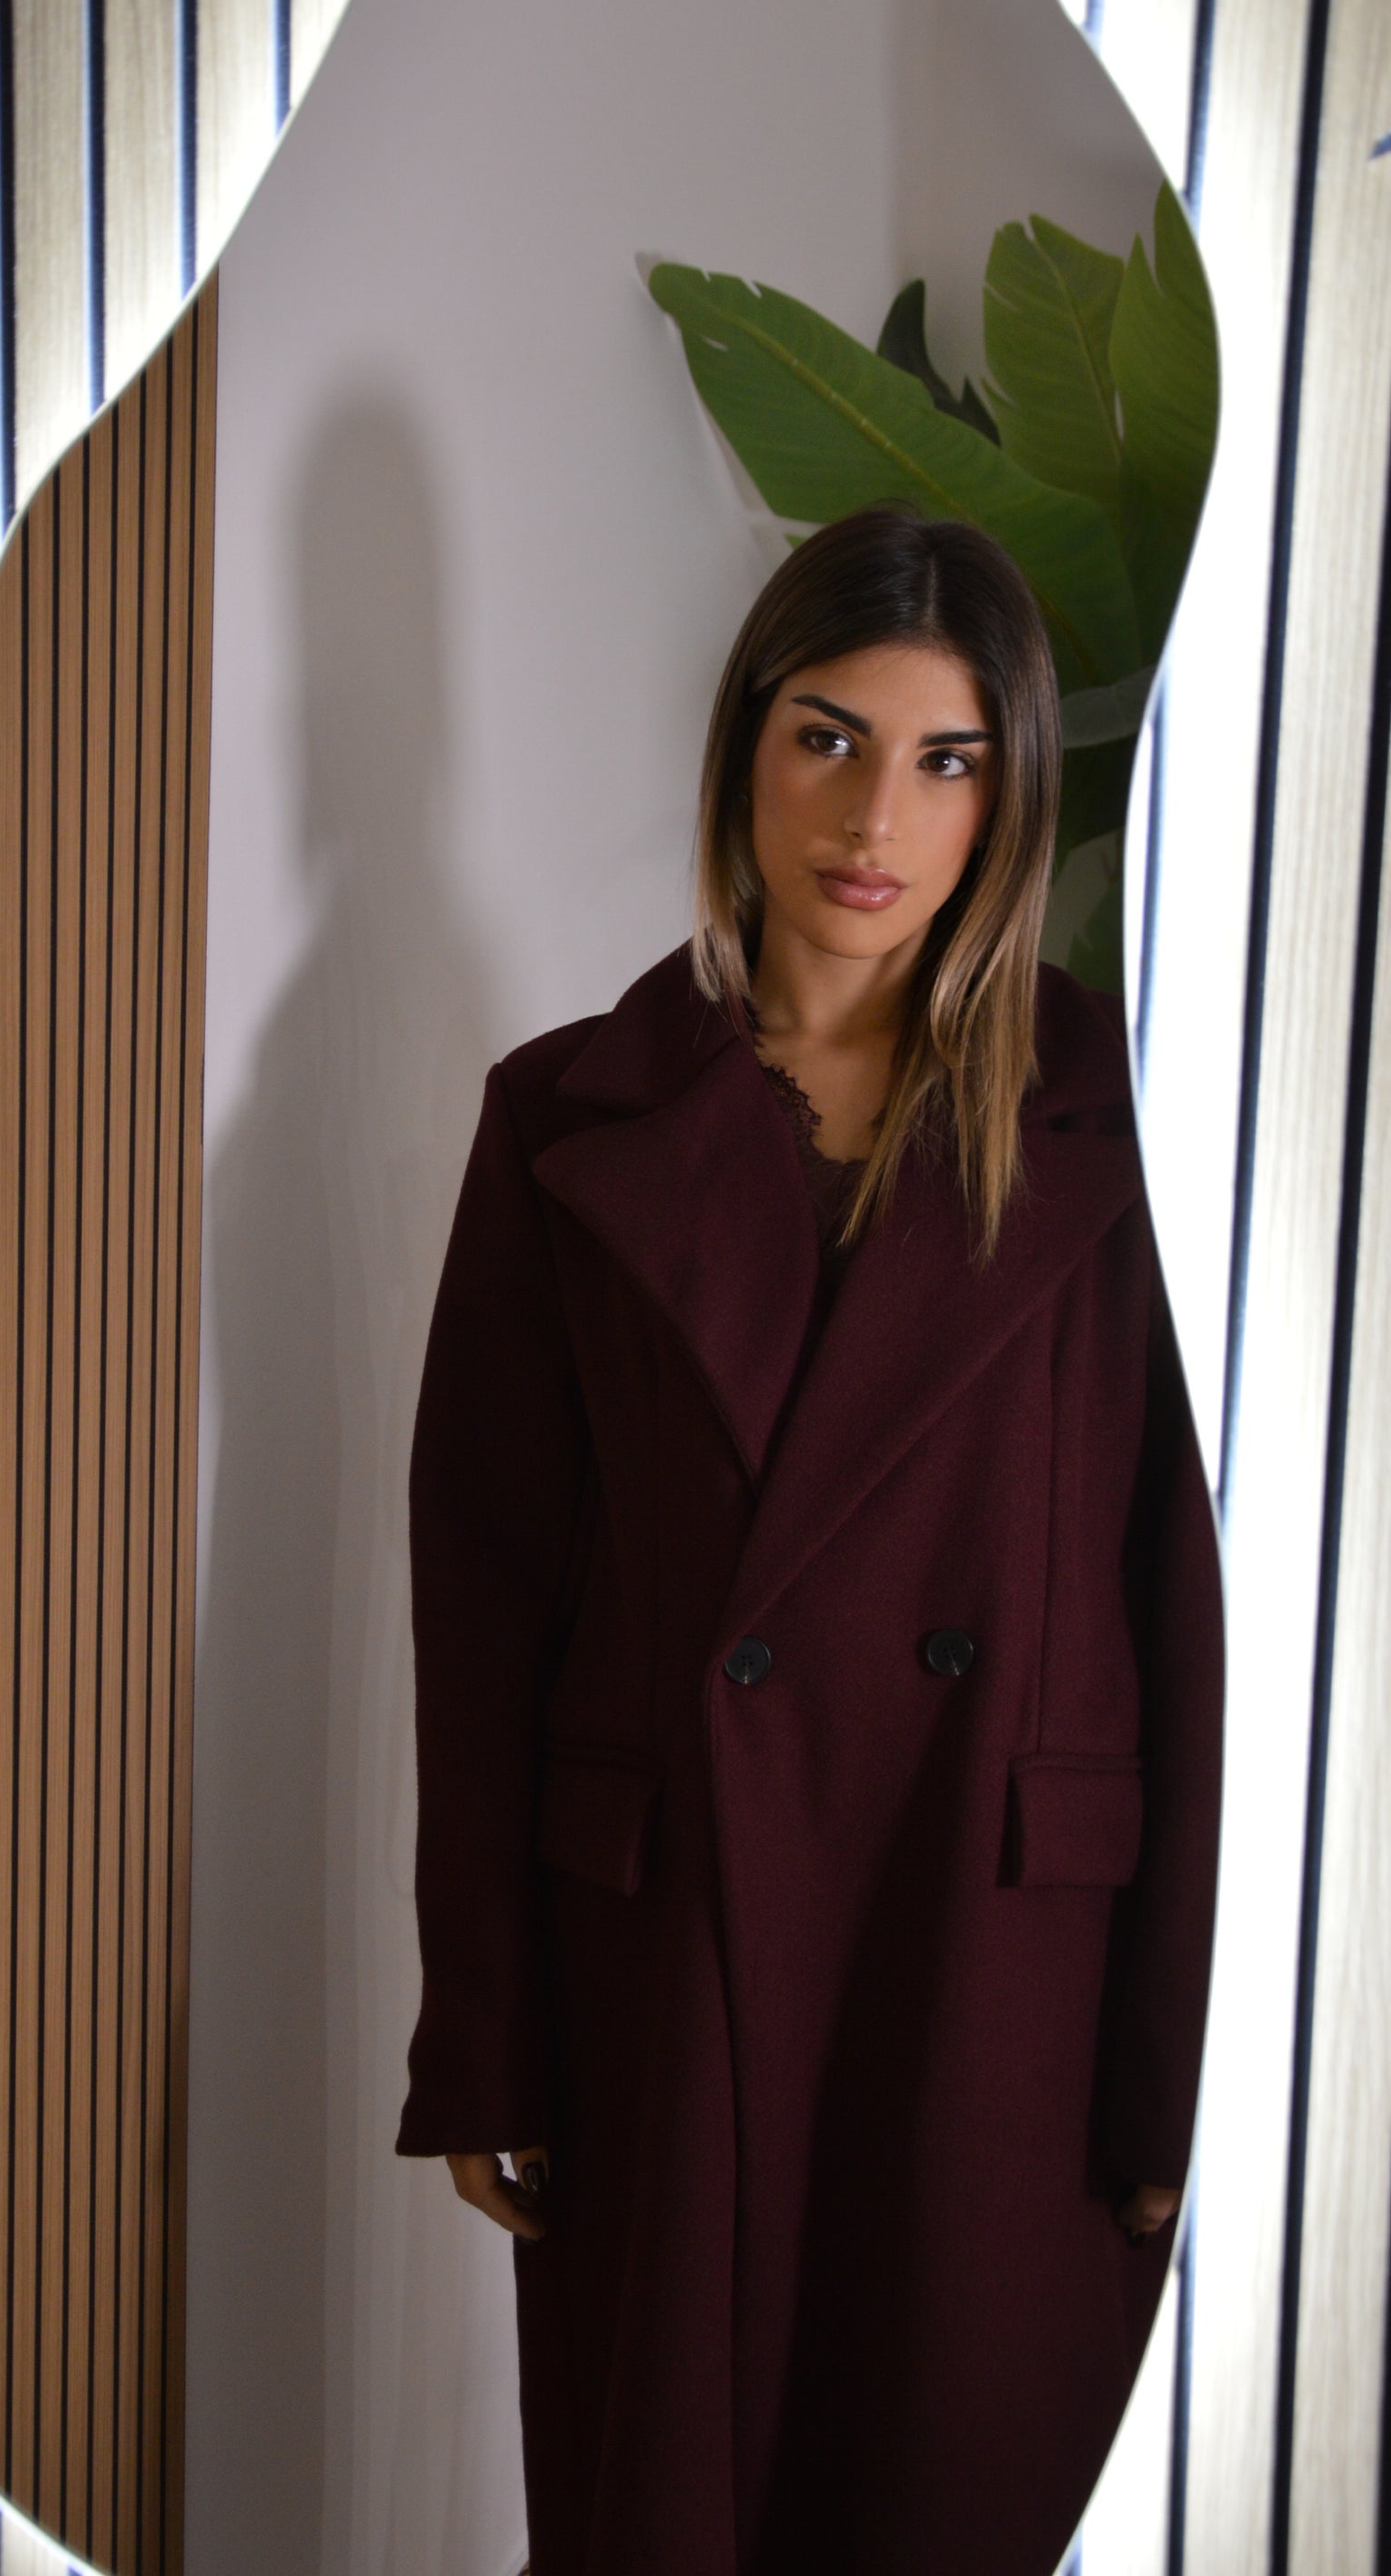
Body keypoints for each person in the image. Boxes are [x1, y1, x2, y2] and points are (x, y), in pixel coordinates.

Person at [394, 506, 1224, 2576]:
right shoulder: (564, 1120)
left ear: (1007, 799)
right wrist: (486, 2030)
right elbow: (483, 1602)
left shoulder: (1133, 1125)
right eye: (828, 738)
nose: (874, 819)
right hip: (669, 1955)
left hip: (998, 1966)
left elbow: (1186, 1606)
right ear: (743, 744)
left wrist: (1173, 2074)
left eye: (948, 762)